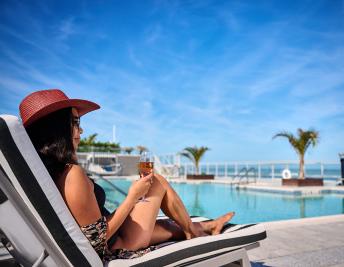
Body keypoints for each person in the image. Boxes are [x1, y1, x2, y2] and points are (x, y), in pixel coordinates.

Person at [19, 89, 234, 261]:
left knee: (167, 227)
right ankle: (194, 234)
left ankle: (206, 226)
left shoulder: (47, 172)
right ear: (56, 129)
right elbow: (97, 240)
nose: (81, 131)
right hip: (114, 246)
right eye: (75, 123)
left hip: (115, 236)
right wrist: (132, 197)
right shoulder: (71, 174)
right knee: (155, 181)